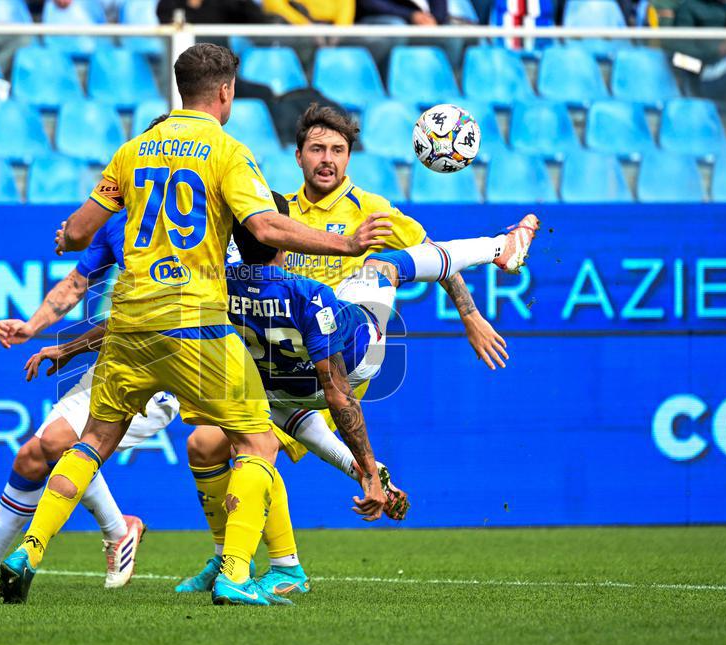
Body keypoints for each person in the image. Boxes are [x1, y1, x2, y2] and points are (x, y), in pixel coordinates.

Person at [0, 42, 394, 607]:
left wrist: (69, 241)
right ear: (227, 91)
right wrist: (346, 242)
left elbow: (80, 234)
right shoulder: (228, 151)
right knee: (256, 438)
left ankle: (28, 551)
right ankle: (236, 571)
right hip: (195, 323)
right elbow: (268, 229)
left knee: (92, 442)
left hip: (131, 321)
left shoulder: (133, 150)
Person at [176, 104, 518, 596]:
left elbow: (430, 258)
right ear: (298, 156)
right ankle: (257, 556)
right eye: (317, 149)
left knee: (257, 447)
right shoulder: (274, 216)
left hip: (342, 353)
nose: (327, 159)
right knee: (204, 444)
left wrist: (470, 314)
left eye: (338, 150)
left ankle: (259, 563)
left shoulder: (373, 211)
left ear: (350, 157)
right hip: (288, 358)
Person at [0, 209, 178, 590]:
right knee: (32, 456)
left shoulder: (186, 232)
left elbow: (152, 319)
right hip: (114, 365)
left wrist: (68, 348)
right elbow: (74, 284)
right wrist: (30, 327)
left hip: (161, 374)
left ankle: (125, 532)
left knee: (58, 442)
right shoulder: (117, 225)